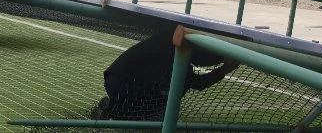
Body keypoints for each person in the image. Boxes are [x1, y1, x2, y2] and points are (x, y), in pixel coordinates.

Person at [92, 27, 239, 121]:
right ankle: (117, 111)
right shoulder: (179, 52)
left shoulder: (170, 37)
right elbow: (196, 83)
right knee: (174, 92)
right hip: (124, 85)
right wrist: (224, 67)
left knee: (171, 86)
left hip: (114, 78)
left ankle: (115, 107)